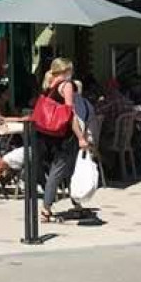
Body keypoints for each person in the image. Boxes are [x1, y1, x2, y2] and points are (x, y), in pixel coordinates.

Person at [36, 59, 92, 223]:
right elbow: (70, 113)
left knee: (68, 170)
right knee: (59, 170)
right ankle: (46, 208)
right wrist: (81, 137)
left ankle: (77, 204)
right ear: (67, 70)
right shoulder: (67, 85)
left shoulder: (49, 84)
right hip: (64, 135)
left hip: (47, 134)